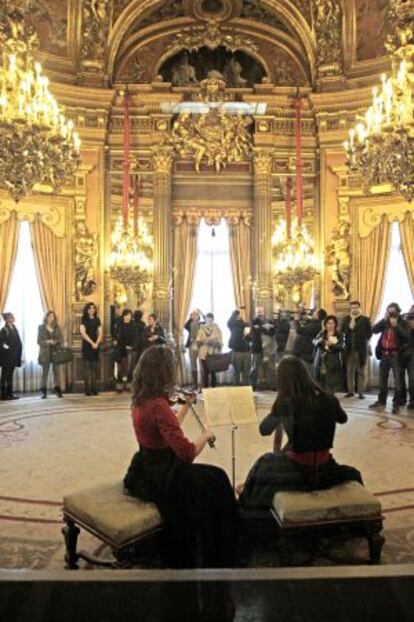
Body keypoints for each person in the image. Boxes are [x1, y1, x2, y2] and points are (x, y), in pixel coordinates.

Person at [123, 345, 237, 569]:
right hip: (166, 475)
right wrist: (205, 435)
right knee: (219, 480)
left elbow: (165, 429)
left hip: (145, 466)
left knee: (213, 480)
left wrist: (184, 407)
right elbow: (187, 453)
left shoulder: (141, 399)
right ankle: (226, 547)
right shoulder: (159, 405)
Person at [239, 356, 362, 511]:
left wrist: (278, 411)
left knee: (262, 466)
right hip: (325, 468)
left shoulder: (286, 403)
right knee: (354, 473)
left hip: (298, 471)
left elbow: (264, 430)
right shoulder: (328, 398)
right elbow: (343, 419)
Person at [370, 303, 410, 415]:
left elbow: (407, 337)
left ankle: (396, 404)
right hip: (384, 355)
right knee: (382, 380)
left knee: (398, 381)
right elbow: (373, 330)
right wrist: (383, 319)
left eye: (393, 312)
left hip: (396, 356)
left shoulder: (403, 322)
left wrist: (396, 326)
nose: (391, 314)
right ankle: (381, 401)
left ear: (398, 312)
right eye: (389, 311)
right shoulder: (385, 322)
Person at [341, 301, 372, 399]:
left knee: (361, 371)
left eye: (356, 307)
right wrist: (350, 326)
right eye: (352, 307)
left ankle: (361, 392)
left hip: (361, 349)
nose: (354, 309)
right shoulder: (346, 319)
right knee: (349, 371)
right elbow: (342, 331)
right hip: (349, 349)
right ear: (350, 309)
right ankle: (350, 391)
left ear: (359, 308)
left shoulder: (365, 320)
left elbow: (369, 334)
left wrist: (363, 340)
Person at [313, 315, 344, 393]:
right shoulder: (322, 333)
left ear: (335, 324)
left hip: (333, 360)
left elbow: (341, 346)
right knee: (320, 380)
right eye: (328, 323)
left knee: (331, 382)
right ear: (325, 324)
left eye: (332, 323)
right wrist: (321, 341)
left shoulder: (339, 334)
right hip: (321, 359)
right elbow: (314, 341)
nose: (330, 325)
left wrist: (332, 345)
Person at [291, 308, 327, 374]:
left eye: (315, 312)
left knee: (306, 373)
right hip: (305, 352)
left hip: (307, 353)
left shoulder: (316, 325)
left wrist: (296, 321)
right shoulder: (314, 323)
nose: (313, 313)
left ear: (318, 316)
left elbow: (300, 330)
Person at [37, 311, 64, 399]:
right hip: (45, 353)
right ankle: (43, 392)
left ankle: (58, 390)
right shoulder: (41, 327)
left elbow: (61, 339)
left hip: (55, 352)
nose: (51, 318)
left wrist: (55, 341)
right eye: (49, 316)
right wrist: (48, 342)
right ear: (46, 317)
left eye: (53, 316)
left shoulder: (57, 327)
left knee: (57, 372)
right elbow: (39, 341)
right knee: (45, 372)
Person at [249, 306, 275, 391]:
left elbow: (271, 332)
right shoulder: (253, 321)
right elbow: (254, 331)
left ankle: (271, 385)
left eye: (261, 311)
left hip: (267, 349)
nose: (260, 313)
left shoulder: (269, 321)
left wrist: (260, 328)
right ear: (255, 312)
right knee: (254, 368)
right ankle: (253, 385)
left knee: (269, 368)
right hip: (256, 348)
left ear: (264, 312)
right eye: (258, 312)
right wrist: (264, 328)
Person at [80, 303, 102, 396]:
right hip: (87, 345)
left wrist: (97, 343)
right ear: (87, 310)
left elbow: (100, 332)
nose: (92, 310)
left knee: (94, 368)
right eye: (90, 308)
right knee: (87, 368)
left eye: (93, 308)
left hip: (96, 345)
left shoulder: (97, 319)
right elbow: (83, 333)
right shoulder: (83, 319)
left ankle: (94, 388)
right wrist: (92, 343)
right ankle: (87, 389)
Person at [196, 312, 223, 388]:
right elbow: (198, 342)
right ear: (205, 319)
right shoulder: (201, 329)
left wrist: (214, 343)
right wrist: (204, 341)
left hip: (213, 353)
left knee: (213, 372)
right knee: (205, 372)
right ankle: (206, 389)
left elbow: (220, 342)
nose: (209, 321)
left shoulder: (217, 329)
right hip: (203, 353)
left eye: (211, 319)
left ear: (213, 320)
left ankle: (213, 389)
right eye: (208, 319)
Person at [0, 313, 22, 401]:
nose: (13, 318)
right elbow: (2, 344)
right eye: (11, 317)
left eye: (13, 316)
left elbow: (18, 341)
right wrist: (8, 349)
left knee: (10, 376)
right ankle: (3, 395)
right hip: (6, 357)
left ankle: (10, 394)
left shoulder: (15, 328)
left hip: (14, 356)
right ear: (6, 319)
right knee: (4, 376)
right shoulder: (4, 330)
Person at [114, 309, 137, 393]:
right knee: (120, 367)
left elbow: (136, 337)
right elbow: (115, 334)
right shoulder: (119, 324)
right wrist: (115, 340)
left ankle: (128, 383)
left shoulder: (133, 325)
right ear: (123, 316)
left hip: (130, 349)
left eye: (129, 315)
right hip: (120, 348)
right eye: (126, 315)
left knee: (129, 367)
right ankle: (119, 384)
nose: (127, 317)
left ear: (131, 316)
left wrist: (132, 346)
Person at [227, 308, 250, 386]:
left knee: (246, 371)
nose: (239, 316)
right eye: (237, 315)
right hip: (237, 350)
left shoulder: (246, 324)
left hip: (246, 350)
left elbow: (250, 336)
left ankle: (245, 388)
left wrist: (248, 335)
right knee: (236, 371)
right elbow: (229, 322)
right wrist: (235, 312)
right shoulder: (233, 325)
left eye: (239, 315)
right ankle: (236, 388)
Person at [184, 309, 204, 388]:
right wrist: (190, 317)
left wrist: (201, 313)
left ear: (198, 316)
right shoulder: (190, 323)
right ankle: (194, 384)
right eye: (192, 315)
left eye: (195, 315)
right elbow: (185, 326)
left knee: (202, 364)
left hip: (200, 345)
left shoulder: (201, 323)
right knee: (193, 365)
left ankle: (203, 384)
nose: (194, 316)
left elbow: (206, 320)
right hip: (192, 345)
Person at [401, 309, 414, 411]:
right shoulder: (404, 320)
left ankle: (412, 401)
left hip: (412, 354)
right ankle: (402, 398)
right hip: (401, 353)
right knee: (400, 379)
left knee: (412, 379)